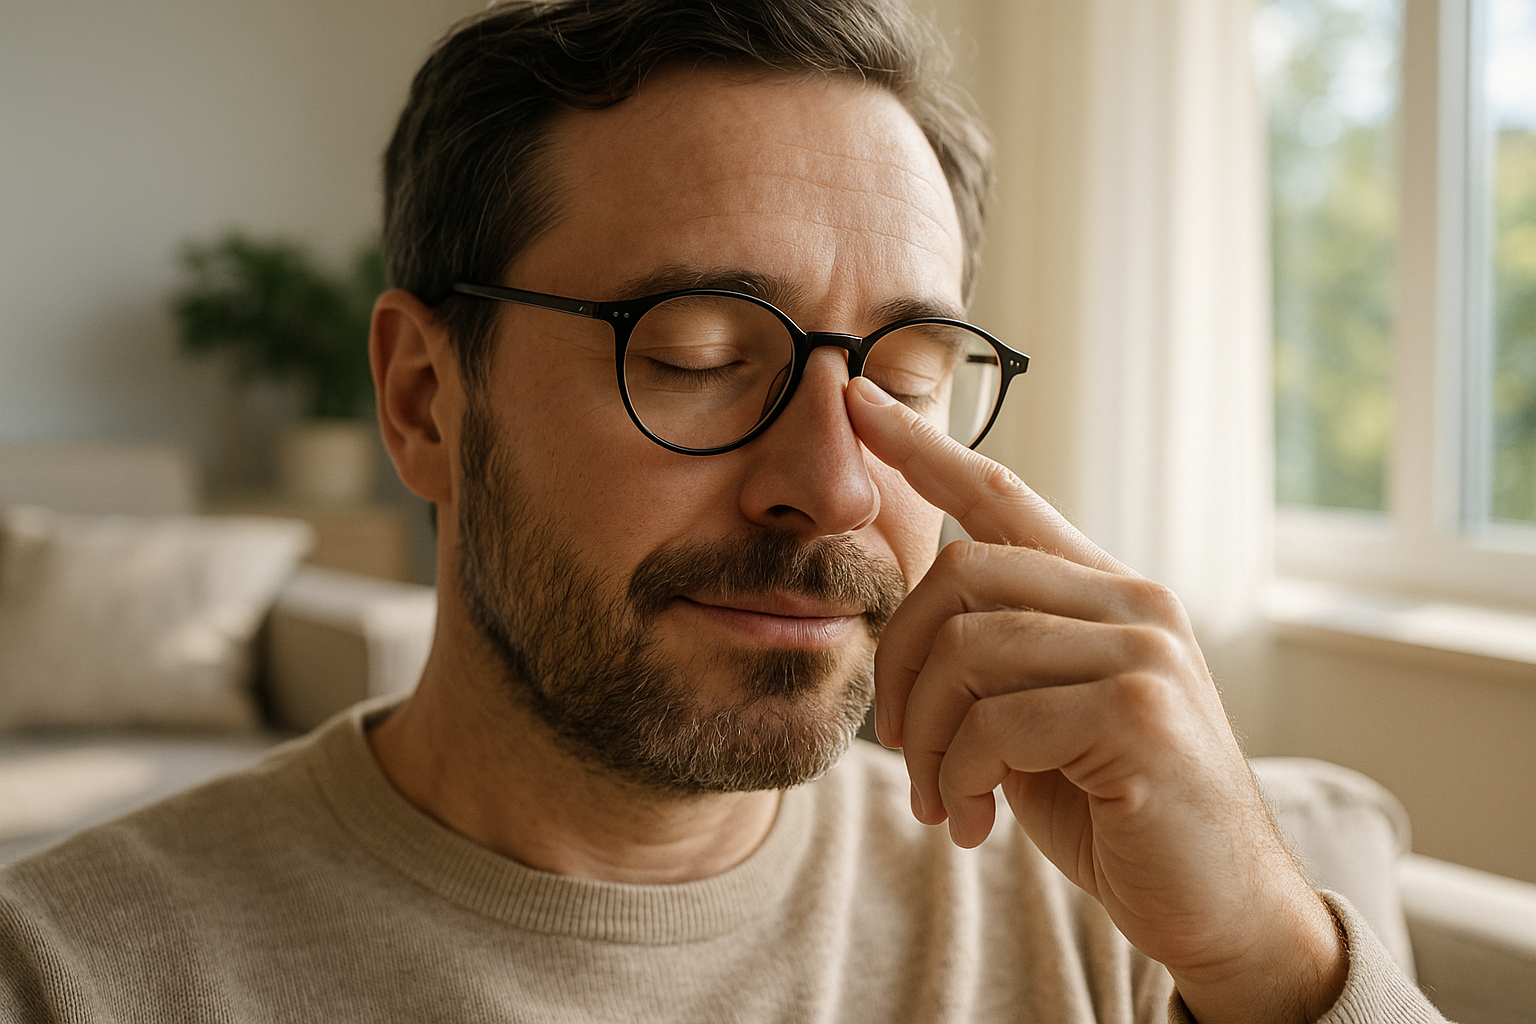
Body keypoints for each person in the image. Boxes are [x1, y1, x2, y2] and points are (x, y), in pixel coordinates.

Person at [0, 2, 1446, 1021]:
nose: (831, 483)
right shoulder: (69, 978)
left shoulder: (1118, 930)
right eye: (695, 354)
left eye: (907, 376)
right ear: (426, 402)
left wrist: (1278, 963)